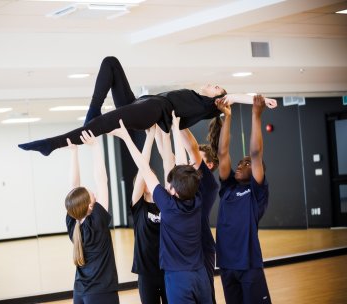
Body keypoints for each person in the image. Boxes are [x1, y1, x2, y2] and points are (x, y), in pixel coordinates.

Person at [18, 56, 277, 156]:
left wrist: (262, 99)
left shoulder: (207, 105)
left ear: (217, 99)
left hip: (154, 111)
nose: (213, 84)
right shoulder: (193, 95)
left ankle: (53, 144)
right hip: (140, 103)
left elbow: (239, 97)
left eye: (218, 87)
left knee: (105, 122)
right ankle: (91, 114)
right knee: (111, 63)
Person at [110, 118, 214, 304]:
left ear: (173, 190)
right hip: (200, 274)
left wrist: (127, 137)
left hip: (179, 278)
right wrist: (173, 127)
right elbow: (179, 165)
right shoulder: (196, 199)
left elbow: (145, 167)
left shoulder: (168, 205)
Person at [215, 95, 272, 304]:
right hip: (227, 266)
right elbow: (222, 153)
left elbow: (255, 153)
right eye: (239, 163)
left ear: (258, 171)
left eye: (246, 164)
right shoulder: (228, 188)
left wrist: (256, 115)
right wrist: (227, 116)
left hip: (249, 266)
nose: (240, 165)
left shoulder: (257, 192)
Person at [65, 130, 119, 304]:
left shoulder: (73, 222)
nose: (94, 193)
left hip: (80, 292)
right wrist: (96, 147)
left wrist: (74, 152)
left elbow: (74, 187)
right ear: (89, 205)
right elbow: (102, 180)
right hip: (101, 293)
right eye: (92, 195)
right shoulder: (97, 221)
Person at [179, 128, 219, 304]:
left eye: (197, 160)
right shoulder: (188, 183)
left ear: (208, 165)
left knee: (206, 294)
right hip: (188, 246)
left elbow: (192, 149)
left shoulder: (209, 183)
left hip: (203, 246)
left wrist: (179, 124)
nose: (190, 162)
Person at [129, 125, 168, 304]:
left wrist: (160, 134)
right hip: (146, 274)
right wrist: (150, 136)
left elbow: (170, 160)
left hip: (168, 270)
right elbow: (142, 167)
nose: (147, 177)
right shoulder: (139, 206)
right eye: (143, 177)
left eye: (150, 174)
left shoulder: (167, 201)